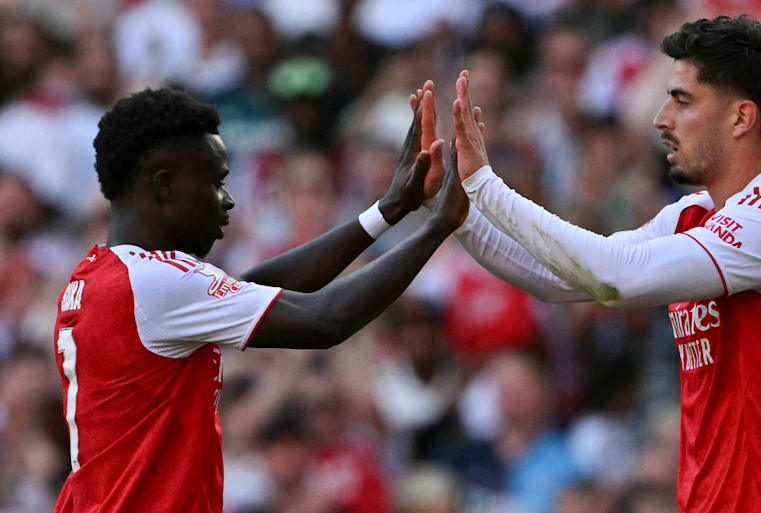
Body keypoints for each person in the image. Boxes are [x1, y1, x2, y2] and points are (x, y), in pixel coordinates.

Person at [422, 15, 761, 513]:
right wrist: (454, 210)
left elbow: (614, 276)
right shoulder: (692, 215)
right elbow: (558, 279)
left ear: (741, 118)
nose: (661, 118)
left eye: (683, 100)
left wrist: (486, 185)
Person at [51, 86, 467, 512]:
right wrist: (436, 228)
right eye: (214, 183)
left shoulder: (103, 273)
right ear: (164, 186)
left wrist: (387, 210)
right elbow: (326, 319)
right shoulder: (153, 283)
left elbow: (255, 286)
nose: (228, 200)